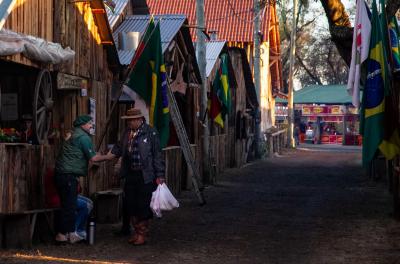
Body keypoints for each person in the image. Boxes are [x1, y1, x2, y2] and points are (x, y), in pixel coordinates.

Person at [109, 108, 165, 246]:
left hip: (145, 175)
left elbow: (157, 154)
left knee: (143, 206)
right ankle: (136, 232)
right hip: (130, 173)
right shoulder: (127, 133)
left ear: (139, 120)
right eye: (128, 120)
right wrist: (103, 156)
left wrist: (160, 174)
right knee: (131, 204)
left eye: (132, 120)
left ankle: (142, 234)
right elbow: (118, 148)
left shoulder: (150, 132)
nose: (130, 123)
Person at [54, 115, 114, 244]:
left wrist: (97, 155)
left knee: (67, 205)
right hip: (68, 176)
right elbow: (93, 159)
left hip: (61, 175)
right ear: (82, 125)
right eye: (89, 123)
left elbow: (82, 154)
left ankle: (66, 234)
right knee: (69, 206)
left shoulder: (73, 134)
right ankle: (64, 235)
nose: (91, 125)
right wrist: (108, 157)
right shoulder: (83, 137)